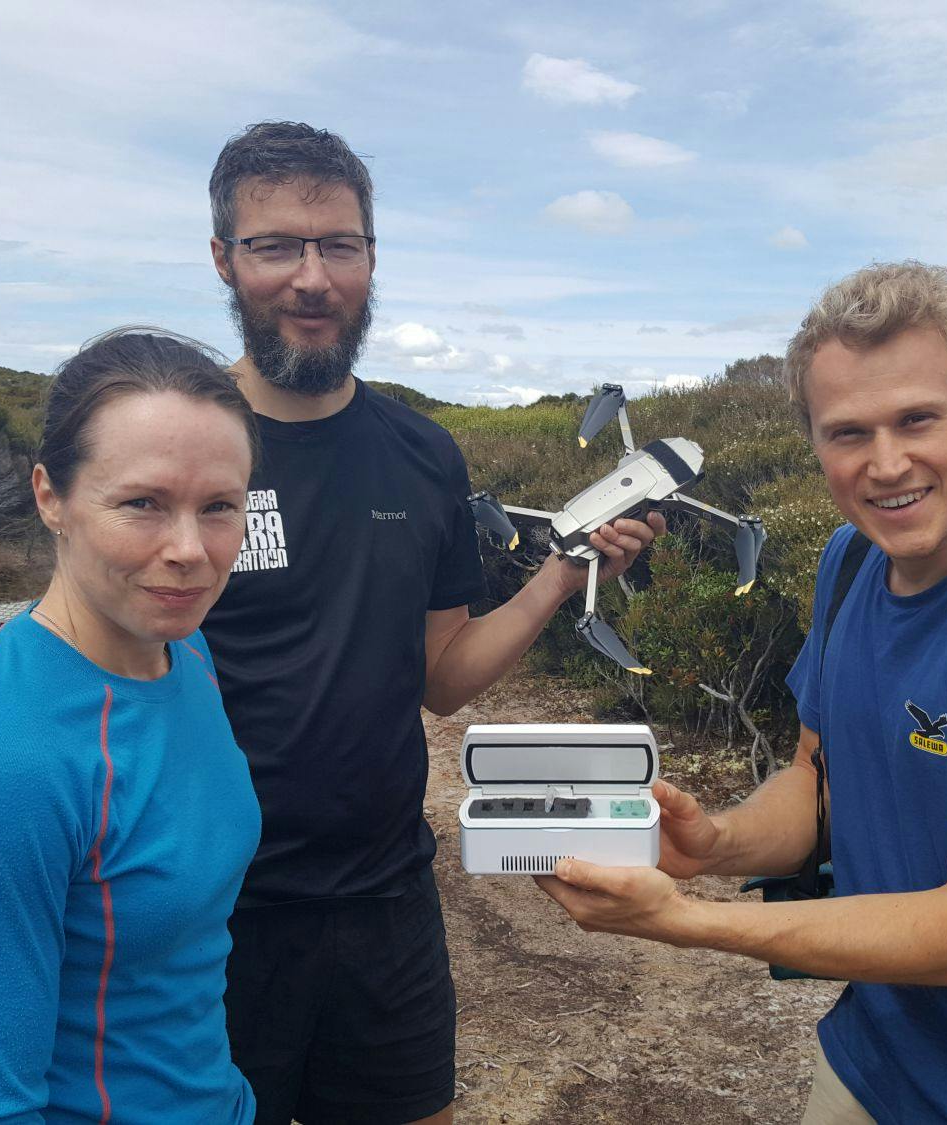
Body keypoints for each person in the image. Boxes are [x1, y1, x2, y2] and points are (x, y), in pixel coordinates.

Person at [535, 262, 947, 1123]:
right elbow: (817, 778)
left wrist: (684, 919)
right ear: (814, 439)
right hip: (874, 1064)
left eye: (918, 419)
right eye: (848, 432)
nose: (886, 464)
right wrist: (714, 843)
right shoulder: (851, 563)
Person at [200, 120, 663, 1125]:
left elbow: (442, 678)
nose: (311, 278)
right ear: (224, 261)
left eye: (339, 245)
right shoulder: (181, 444)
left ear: (370, 257)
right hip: (203, 916)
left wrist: (554, 577)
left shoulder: (420, 454)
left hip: (384, 906)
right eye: (275, 245)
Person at [0, 329, 263, 1124]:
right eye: (142, 503)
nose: (191, 551)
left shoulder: (183, 651)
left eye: (220, 507)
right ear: (50, 496)